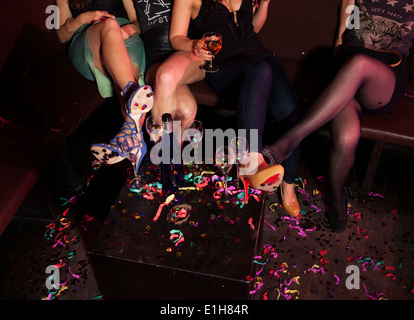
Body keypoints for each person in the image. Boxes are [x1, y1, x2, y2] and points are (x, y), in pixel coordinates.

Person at [262, 0, 414, 231]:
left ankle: (288, 141)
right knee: (346, 138)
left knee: (359, 64)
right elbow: (343, 36)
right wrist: (337, 82)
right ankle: (338, 200)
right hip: (347, 72)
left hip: (384, 77)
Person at [169, 0, 301, 215]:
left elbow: (253, 28)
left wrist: (265, 4)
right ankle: (251, 159)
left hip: (260, 55)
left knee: (289, 108)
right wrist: (195, 45)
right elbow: (176, 38)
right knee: (260, 69)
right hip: (224, 65)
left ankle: (289, 185)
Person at [56, 0, 154, 173]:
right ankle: (131, 96)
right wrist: (84, 18)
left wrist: (130, 29)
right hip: (86, 42)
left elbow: (137, 22)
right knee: (109, 24)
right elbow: (62, 36)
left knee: (123, 73)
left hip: (124, 35)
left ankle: (130, 138)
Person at [126, 0, 206, 135]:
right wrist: (130, 28)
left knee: (167, 77)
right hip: (155, 55)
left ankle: (164, 151)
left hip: (188, 50)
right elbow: (135, 20)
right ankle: (171, 151)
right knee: (185, 108)